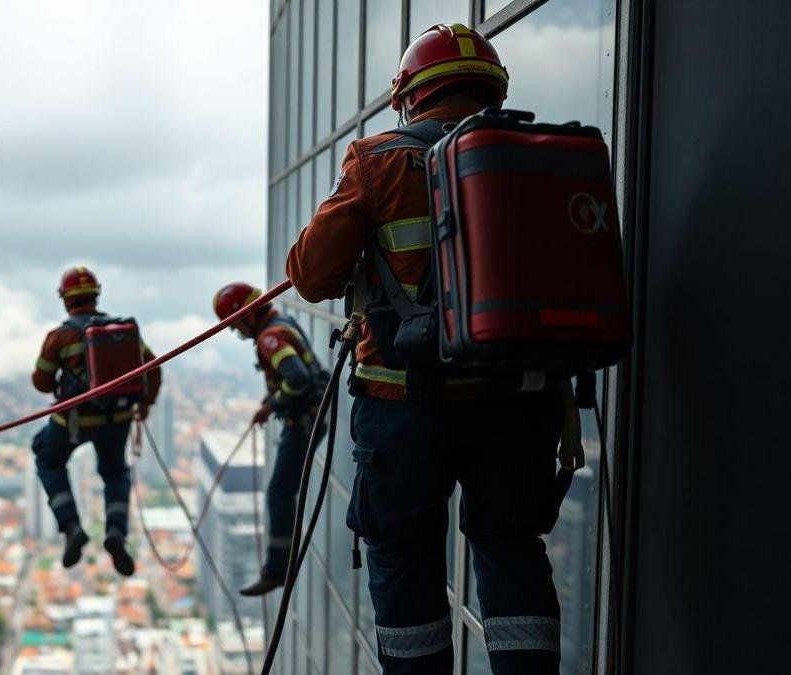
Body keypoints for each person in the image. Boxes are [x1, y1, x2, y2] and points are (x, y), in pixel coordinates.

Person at [286, 24, 569, 674]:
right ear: (492, 93)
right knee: (511, 546)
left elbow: (310, 274)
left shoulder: (378, 158)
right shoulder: (532, 159)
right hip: (516, 401)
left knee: (405, 556)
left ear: (409, 98)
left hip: (403, 404)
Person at [31, 266, 161, 577]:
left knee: (48, 460)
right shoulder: (122, 332)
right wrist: (145, 404)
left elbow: (42, 383)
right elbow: (153, 368)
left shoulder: (59, 337)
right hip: (117, 418)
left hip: (72, 421)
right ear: (96, 295)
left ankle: (71, 525)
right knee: (115, 473)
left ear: (65, 300)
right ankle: (116, 532)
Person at [212, 282, 328, 597]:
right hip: (309, 416)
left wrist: (270, 406)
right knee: (281, 492)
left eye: (236, 326)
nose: (238, 333)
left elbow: (298, 378)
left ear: (246, 316)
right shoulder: (282, 323)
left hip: (303, 419)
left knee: (279, 494)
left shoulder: (270, 337)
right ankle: (278, 567)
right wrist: (272, 400)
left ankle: (277, 569)